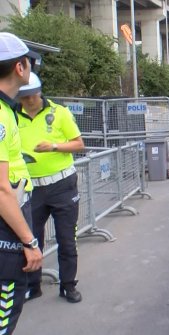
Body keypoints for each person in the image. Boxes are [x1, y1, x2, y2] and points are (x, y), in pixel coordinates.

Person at [17, 72, 85, 303]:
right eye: (23, 97)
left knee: (67, 239)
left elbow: (79, 143)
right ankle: (32, 286)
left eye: (30, 96)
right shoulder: (12, 116)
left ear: (39, 92)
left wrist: (54, 146)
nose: (27, 101)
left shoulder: (59, 113)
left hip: (62, 185)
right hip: (31, 188)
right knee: (31, 239)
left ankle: (68, 285)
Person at [0, 32, 43, 335]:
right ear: (19, 67)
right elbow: (1, 190)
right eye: (29, 61)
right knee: (6, 313)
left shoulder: (7, 110)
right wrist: (30, 241)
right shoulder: (1, 116)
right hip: (6, 236)